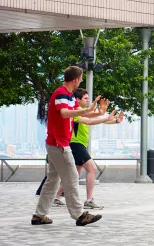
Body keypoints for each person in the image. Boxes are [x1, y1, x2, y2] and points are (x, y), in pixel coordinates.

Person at [31, 66, 104, 226]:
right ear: (76, 80)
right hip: (59, 145)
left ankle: (39, 215)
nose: (80, 82)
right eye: (80, 80)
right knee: (71, 177)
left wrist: (97, 112)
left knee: (52, 180)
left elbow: (79, 112)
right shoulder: (61, 94)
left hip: (58, 144)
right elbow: (64, 113)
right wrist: (83, 111)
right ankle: (79, 215)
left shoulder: (69, 96)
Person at [50, 88, 123, 210]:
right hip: (75, 144)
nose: (88, 100)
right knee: (92, 169)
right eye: (85, 98)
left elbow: (95, 119)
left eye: (89, 98)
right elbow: (89, 121)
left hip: (80, 145)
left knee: (75, 174)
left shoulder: (82, 111)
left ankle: (56, 197)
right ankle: (89, 200)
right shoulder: (74, 112)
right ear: (77, 99)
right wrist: (104, 117)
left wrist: (116, 121)